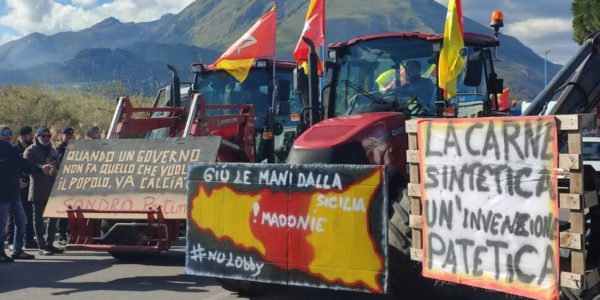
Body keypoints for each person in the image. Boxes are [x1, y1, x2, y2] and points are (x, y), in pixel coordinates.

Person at [0, 125, 51, 261]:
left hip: (14, 191)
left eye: (9, 132)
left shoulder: (9, 149)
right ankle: (1, 253)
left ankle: (17, 250)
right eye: (4, 132)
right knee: (2, 224)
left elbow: (22, 163)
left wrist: (40, 169)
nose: (8, 135)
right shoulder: (5, 150)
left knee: (22, 221)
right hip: (3, 193)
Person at [24, 126, 62, 255]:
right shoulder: (30, 150)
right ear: (37, 137)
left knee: (54, 217)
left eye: (48, 136)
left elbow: (57, 164)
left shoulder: (52, 150)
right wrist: (41, 167)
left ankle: (50, 243)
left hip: (52, 188)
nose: (46, 138)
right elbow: (26, 167)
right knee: (38, 219)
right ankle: (42, 246)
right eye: (43, 136)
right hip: (38, 188)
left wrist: (54, 168)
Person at [9, 126, 37, 250]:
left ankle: (29, 240)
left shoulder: (33, 149)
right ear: (21, 136)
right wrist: (17, 180)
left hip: (31, 185)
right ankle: (12, 241)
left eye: (31, 134)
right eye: (28, 134)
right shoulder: (14, 150)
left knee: (29, 214)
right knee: (14, 215)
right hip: (17, 186)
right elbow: (11, 168)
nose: (31, 137)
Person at [55, 127, 74, 244]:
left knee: (72, 210)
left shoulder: (74, 147)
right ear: (62, 135)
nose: (68, 137)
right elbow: (59, 163)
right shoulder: (59, 148)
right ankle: (62, 235)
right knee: (63, 210)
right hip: (62, 182)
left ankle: (69, 232)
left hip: (73, 181)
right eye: (66, 135)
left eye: (70, 136)